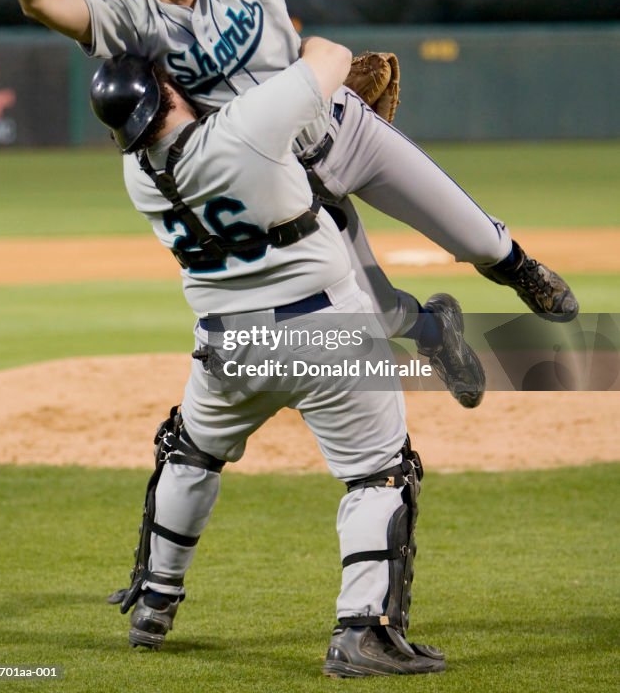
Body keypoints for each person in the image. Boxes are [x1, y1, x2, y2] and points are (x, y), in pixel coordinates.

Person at [0, 0, 577, 406]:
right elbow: (43, 4)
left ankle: (522, 271)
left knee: (476, 240)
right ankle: (433, 329)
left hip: (346, 134)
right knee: (372, 318)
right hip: (287, 188)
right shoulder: (130, 18)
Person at [89, 37, 473, 675]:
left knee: (191, 451)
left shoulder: (140, 173)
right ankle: (361, 635)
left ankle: (154, 601)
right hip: (323, 333)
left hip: (225, 348)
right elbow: (328, 53)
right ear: (168, 89)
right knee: (379, 475)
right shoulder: (245, 125)